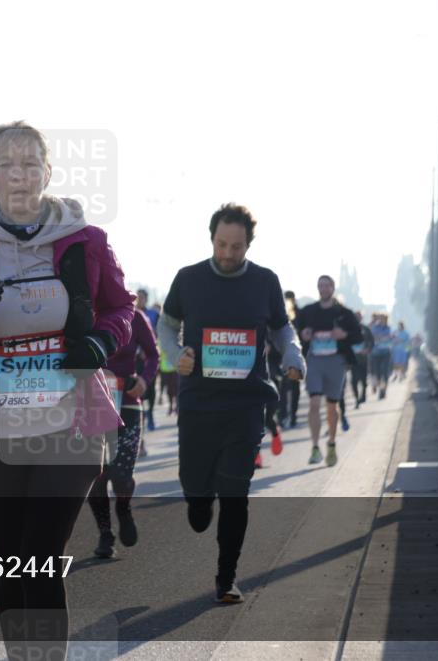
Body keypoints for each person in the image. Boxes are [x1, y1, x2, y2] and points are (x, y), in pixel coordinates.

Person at [0, 121, 134, 658]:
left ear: (48, 171)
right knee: (12, 564)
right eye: (7, 165)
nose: (19, 174)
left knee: (40, 557)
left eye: (30, 163)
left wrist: (102, 344)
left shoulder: (87, 241)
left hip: (70, 422)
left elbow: (120, 308)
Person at [158, 203, 304, 604]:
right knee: (197, 493)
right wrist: (175, 357)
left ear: (248, 245)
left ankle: (227, 578)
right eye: (222, 244)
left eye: (236, 247)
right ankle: (197, 502)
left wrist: (293, 356)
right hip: (198, 402)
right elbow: (166, 329)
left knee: (236, 492)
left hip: (245, 403)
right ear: (211, 239)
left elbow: (281, 329)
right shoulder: (188, 279)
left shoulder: (265, 281)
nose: (227, 253)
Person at [90, 306, 158, 558]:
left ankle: (123, 507)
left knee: (121, 474)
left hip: (127, 402)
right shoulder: (79, 311)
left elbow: (153, 355)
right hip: (90, 403)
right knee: (96, 475)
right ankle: (105, 534)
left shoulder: (135, 316)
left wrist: (144, 380)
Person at [295, 276, 362, 467]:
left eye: (327, 285)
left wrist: (345, 335)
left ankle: (331, 443)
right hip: (314, 361)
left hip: (336, 362)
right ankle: (315, 448)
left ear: (333, 288)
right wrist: (303, 334)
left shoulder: (344, 313)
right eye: (320, 285)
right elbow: (294, 331)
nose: (323, 289)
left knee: (332, 407)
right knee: (314, 403)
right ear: (317, 288)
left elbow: (358, 336)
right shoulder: (308, 312)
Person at [278, 291, 302, 429]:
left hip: (296, 355)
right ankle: (283, 415)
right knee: (282, 387)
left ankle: (293, 414)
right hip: (280, 356)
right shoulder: (279, 311)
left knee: (294, 387)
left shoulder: (299, 314)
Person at [136, 289, 158, 433]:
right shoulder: (131, 314)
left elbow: (160, 333)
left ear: (146, 298)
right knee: (140, 391)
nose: (140, 300)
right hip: (136, 359)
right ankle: (142, 416)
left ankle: (150, 413)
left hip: (150, 356)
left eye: (142, 297)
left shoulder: (154, 314)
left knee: (151, 390)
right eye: (138, 297)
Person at [349, 310, 373, 407]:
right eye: (356, 317)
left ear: (361, 318)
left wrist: (367, 350)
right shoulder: (349, 329)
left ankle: (363, 395)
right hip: (353, 359)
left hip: (363, 358)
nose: (357, 318)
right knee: (354, 381)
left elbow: (371, 342)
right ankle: (356, 398)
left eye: (359, 317)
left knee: (363, 379)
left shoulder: (366, 329)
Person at [369, 313, 393, 399]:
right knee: (377, 373)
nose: (382, 320)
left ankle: (383, 391)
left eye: (384, 319)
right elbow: (373, 337)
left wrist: (381, 337)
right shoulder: (375, 327)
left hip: (386, 352)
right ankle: (380, 389)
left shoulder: (389, 328)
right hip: (376, 353)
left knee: (385, 372)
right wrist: (383, 337)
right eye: (381, 319)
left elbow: (389, 337)